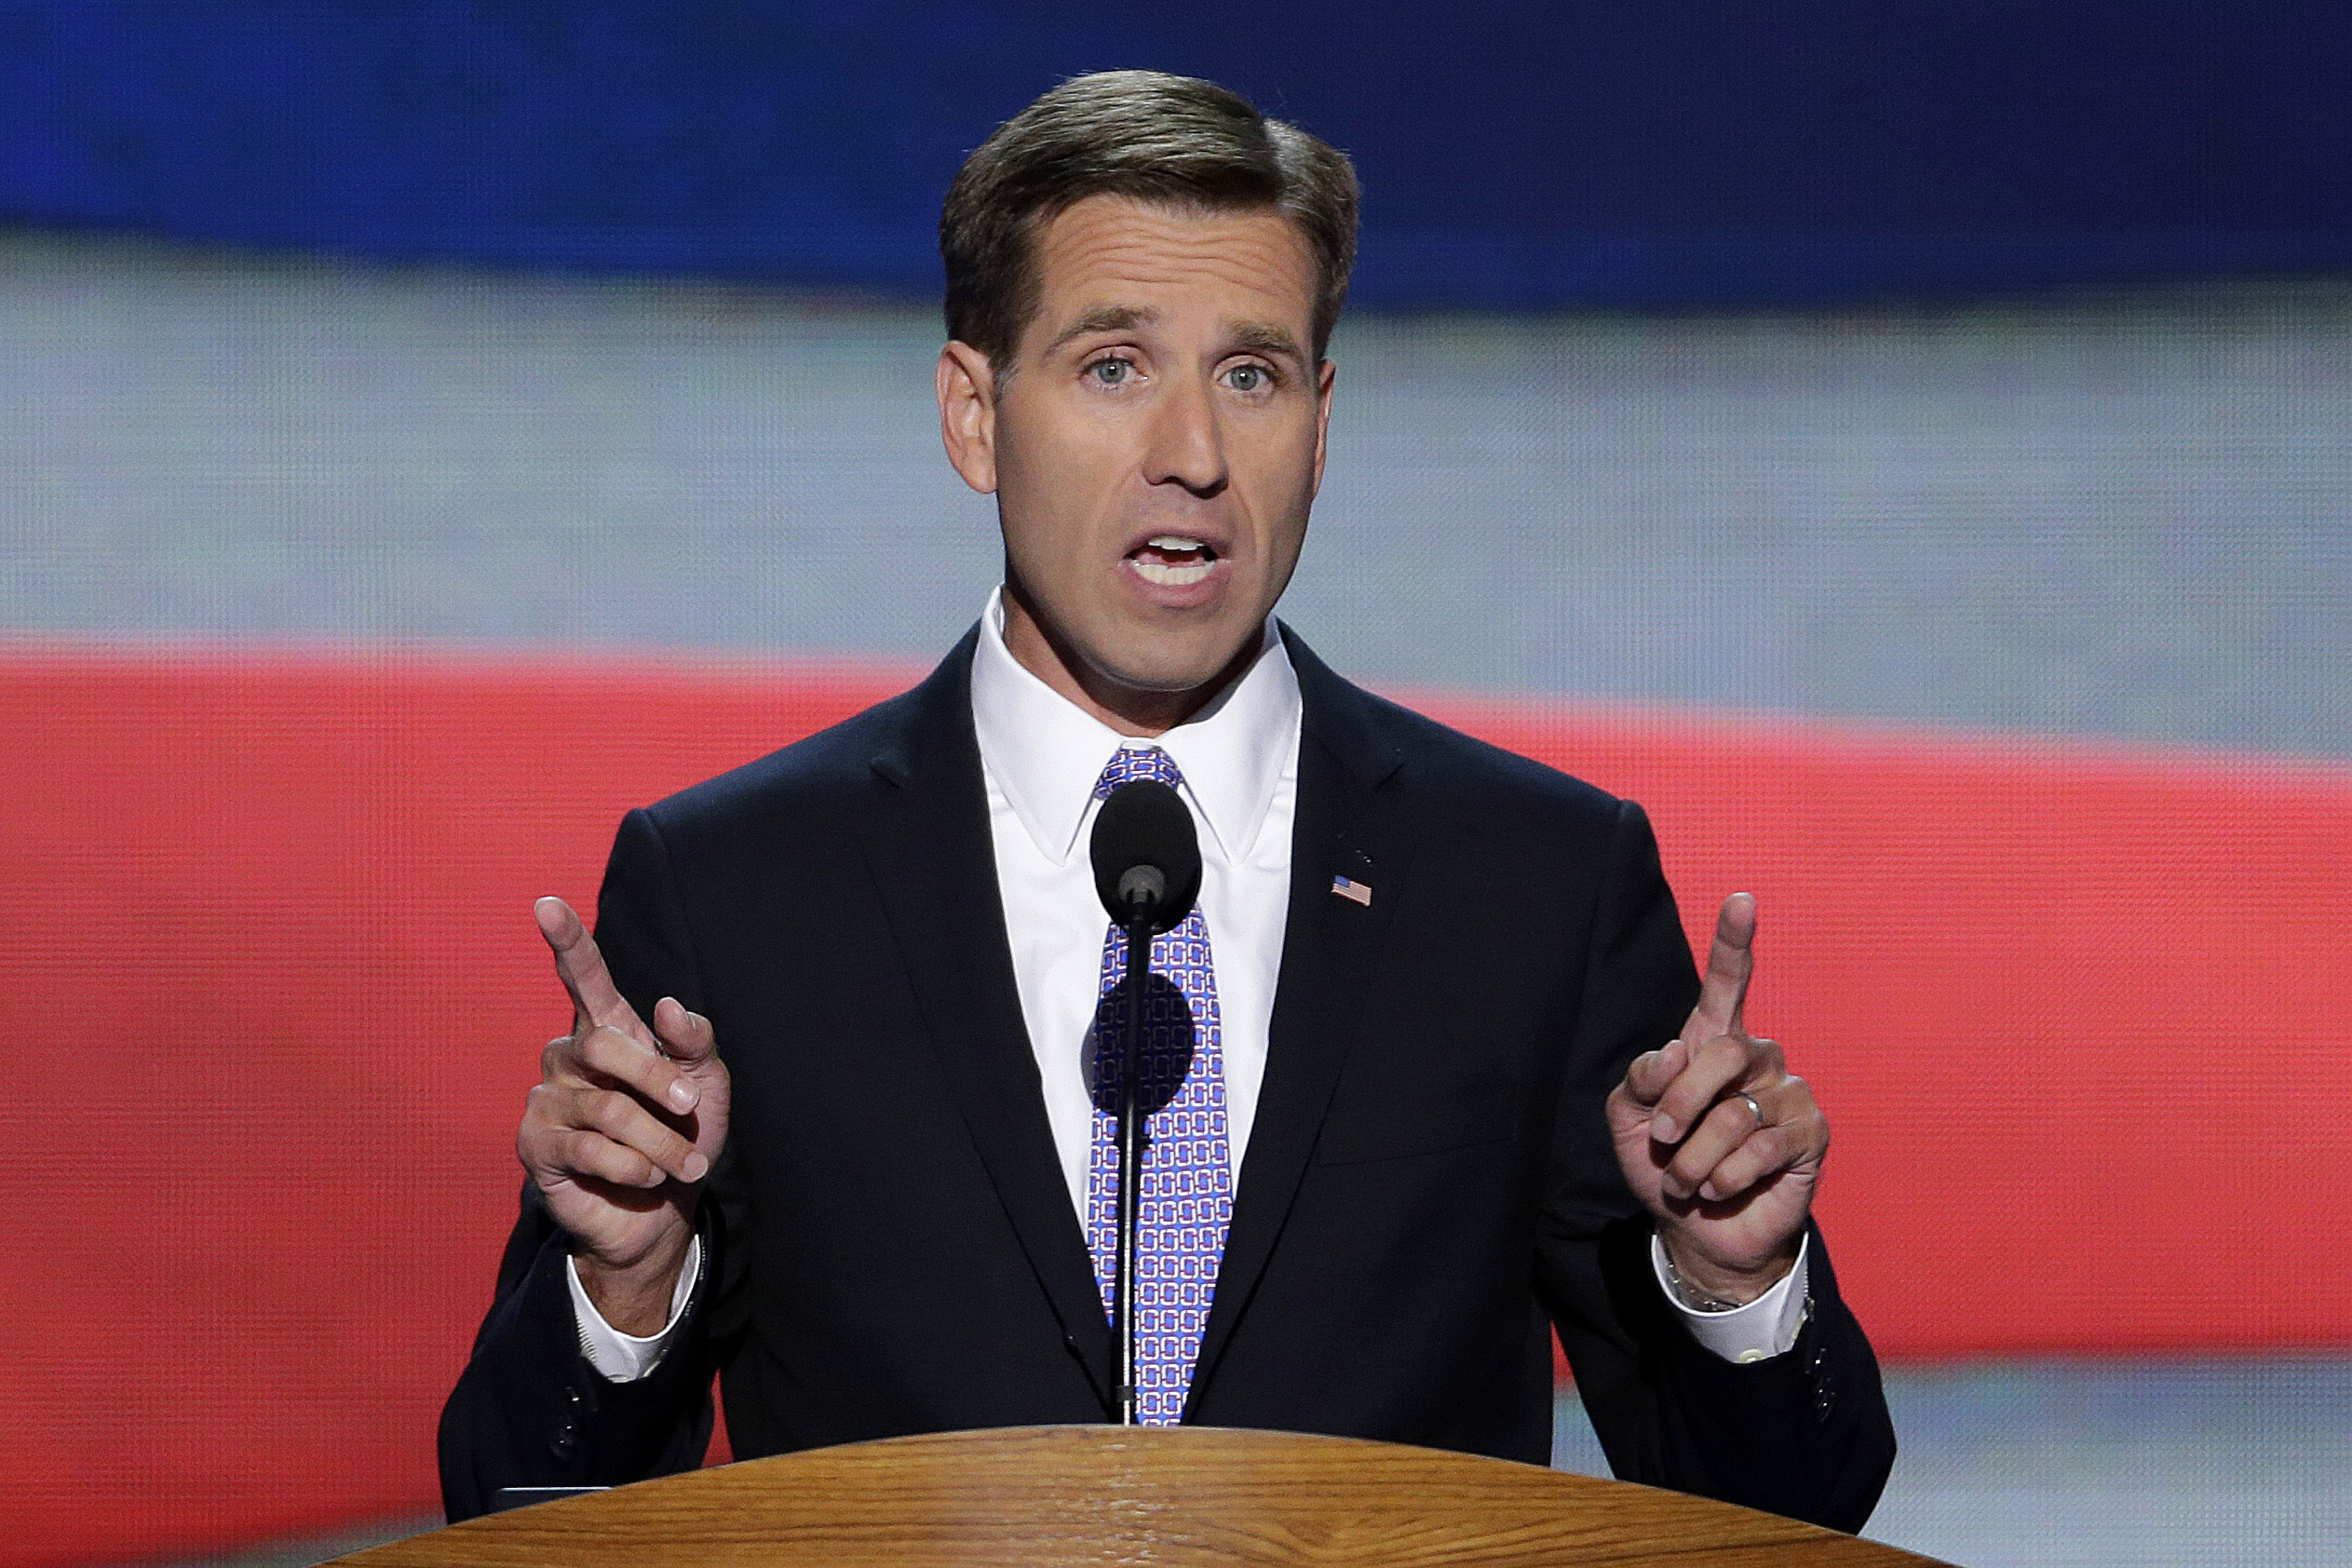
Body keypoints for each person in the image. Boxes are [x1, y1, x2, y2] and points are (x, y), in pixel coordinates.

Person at [439, 70, 1895, 1530]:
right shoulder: (740, 893)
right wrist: (622, 1290)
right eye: (1113, 366)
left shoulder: (1532, 882)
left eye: (1250, 375)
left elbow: (1781, 1522)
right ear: (972, 415)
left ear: (1319, 425)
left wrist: (1729, 1284)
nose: (1192, 457)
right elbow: (521, 1512)